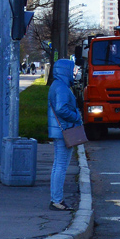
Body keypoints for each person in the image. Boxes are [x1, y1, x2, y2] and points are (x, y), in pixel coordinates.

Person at [47, 58, 83, 211]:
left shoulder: (58, 85)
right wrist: (76, 116)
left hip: (60, 130)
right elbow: (61, 109)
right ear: (64, 70)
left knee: (58, 165)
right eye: (72, 70)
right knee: (61, 166)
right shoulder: (61, 87)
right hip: (65, 130)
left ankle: (56, 199)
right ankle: (57, 200)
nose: (74, 73)